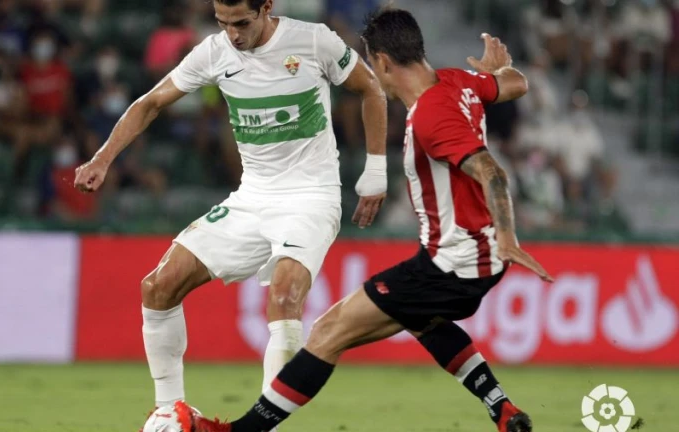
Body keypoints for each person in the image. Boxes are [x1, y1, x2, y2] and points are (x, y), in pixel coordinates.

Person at [179, 8, 552, 432]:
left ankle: (241, 431)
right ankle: (502, 409)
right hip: (473, 258)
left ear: (382, 62)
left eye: (372, 65)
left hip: (454, 262)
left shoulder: (432, 115)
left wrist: (508, 236)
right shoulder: (459, 82)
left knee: (328, 331)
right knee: (422, 319)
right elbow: (516, 84)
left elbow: (491, 171)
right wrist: (497, 69)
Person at [72, 0, 388, 426]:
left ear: (266, 7)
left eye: (241, 22)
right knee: (158, 287)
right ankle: (170, 411)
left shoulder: (313, 41)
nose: (233, 34)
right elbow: (150, 103)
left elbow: (371, 88)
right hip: (251, 197)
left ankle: (261, 425)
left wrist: (375, 170)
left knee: (284, 297)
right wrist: (102, 158)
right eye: (223, 23)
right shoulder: (214, 51)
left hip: (310, 196)